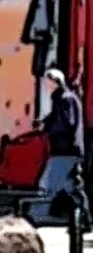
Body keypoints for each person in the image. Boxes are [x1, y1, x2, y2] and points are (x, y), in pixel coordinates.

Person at [31, 68, 87, 224]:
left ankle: (36, 216)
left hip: (64, 149)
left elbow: (66, 122)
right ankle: (85, 218)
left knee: (47, 183)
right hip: (71, 149)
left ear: (55, 82)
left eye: (47, 82)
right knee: (71, 187)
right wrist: (45, 123)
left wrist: (48, 129)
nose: (45, 85)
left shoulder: (64, 99)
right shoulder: (64, 98)